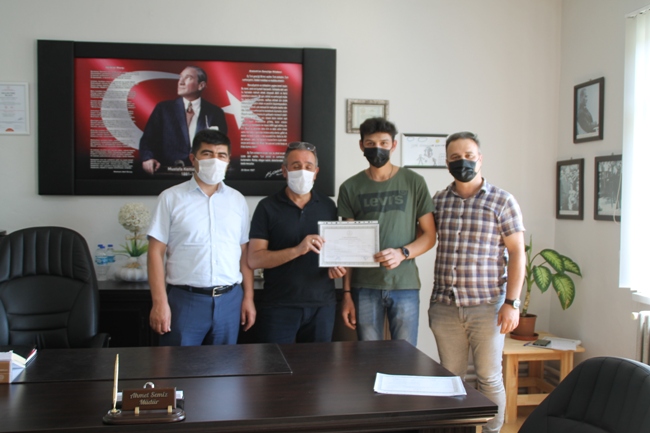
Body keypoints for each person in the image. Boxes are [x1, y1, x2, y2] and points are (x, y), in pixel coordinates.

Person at [428, 131, 525, 433]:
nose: (463, 162)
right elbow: (424, 238)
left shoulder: (502, 201)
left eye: (469, 156)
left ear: (480, 158)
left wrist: (512, 303)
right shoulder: (438, 201)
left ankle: (493, 431)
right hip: (445, 306)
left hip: (487, 306)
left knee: (488, 378)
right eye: (455, 157)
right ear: (447, 163)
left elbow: (517, 252)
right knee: (451, 378)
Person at [147, 128, 255, 346]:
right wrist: (159, 302)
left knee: (226, 366)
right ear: (193, 159)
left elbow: (244, 252)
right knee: (178, 365)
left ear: (228, 161)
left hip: (230, 300)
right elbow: (155, 252)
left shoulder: (237, 200)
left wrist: (248, 298)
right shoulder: (170, 198)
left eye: (221, 155)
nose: (215, 160)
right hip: (185, 301)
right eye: (207, 153)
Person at [337, 117, 437, 346]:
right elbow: (347, 245)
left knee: (405, 355)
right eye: (370, 143)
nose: (377, 148)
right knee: (368, 356)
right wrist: (347, 294)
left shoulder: (414, 182)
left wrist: (402, 253)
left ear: (393, 145)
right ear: (361, 146)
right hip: (364, 286)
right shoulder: (350, 187)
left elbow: (430, 235)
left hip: (404, 285)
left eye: (383, 143)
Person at [248, 142, 346, 343]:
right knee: (276, 363)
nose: (303, 171)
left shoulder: (329, 206)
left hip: (322, 306)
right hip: (278, 306)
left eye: (308, 167)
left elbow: (334, 250)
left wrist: (336, 267)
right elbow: (255, 259)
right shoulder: (266, 207)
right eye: (296, 166)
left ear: (316, 172)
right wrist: (297, 250)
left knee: (318, 364)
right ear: (284, 171)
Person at [139, 66, 228, 174]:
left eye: (188, 78)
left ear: (201, 85)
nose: (180, 82)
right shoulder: (163, 109)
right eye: (180, 77)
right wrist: (147, 158)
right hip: (168, 172)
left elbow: (220, 145)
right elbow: (148, 140)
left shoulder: (215, 112)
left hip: (202, 173)